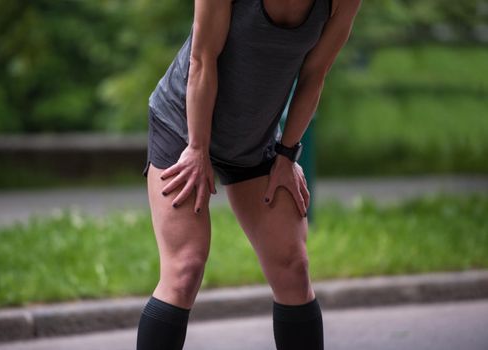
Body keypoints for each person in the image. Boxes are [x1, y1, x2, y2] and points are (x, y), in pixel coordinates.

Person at [136, 0, 361, 348]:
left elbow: (315, 74)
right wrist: (197, 148)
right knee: (185, 269)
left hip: (255, 138)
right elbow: (202, 59)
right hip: (184, 128)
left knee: (292, 267)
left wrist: (287, 154)